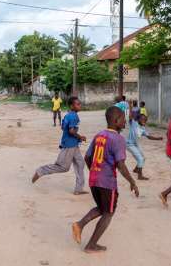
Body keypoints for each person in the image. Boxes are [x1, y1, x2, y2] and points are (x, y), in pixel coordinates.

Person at [72, 106, 139, 253]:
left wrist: (95, 172)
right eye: (123, 119)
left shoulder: (99, 135)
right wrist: (132, 182)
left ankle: (80, 225)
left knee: (102, 208)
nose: (124, 122)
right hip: (107, 182)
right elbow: (120, 165)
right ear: (116, 120)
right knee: (109, 212)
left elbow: (88, 157)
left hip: (94, 179)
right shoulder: (119, 139)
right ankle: (90, 245)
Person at [32, 97, 89, 195]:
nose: (80, 105)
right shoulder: (74, 116)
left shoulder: (68, 115)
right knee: (63, 167)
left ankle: (78, 189)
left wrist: (75, 137)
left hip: (74, 144)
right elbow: (71, 130)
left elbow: (63, 127)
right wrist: (80, 137)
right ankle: (40, 171)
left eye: (80, 103)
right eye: (77, 104)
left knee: (80, 163)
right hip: (69, 145)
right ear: (72, 106)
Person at [126, 101, 163, 180]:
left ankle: (136, 169)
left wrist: (157, 139)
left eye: (145, 120)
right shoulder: (134, 123)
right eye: (142, 120)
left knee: (144, 157)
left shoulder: (143, 128)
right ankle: (140, 176)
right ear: (138, 119)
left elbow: (148, 136)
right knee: (140, 158)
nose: (144, 121)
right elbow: (130, 116)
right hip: (129, 144)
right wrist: (131, 107)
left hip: (135, 144)